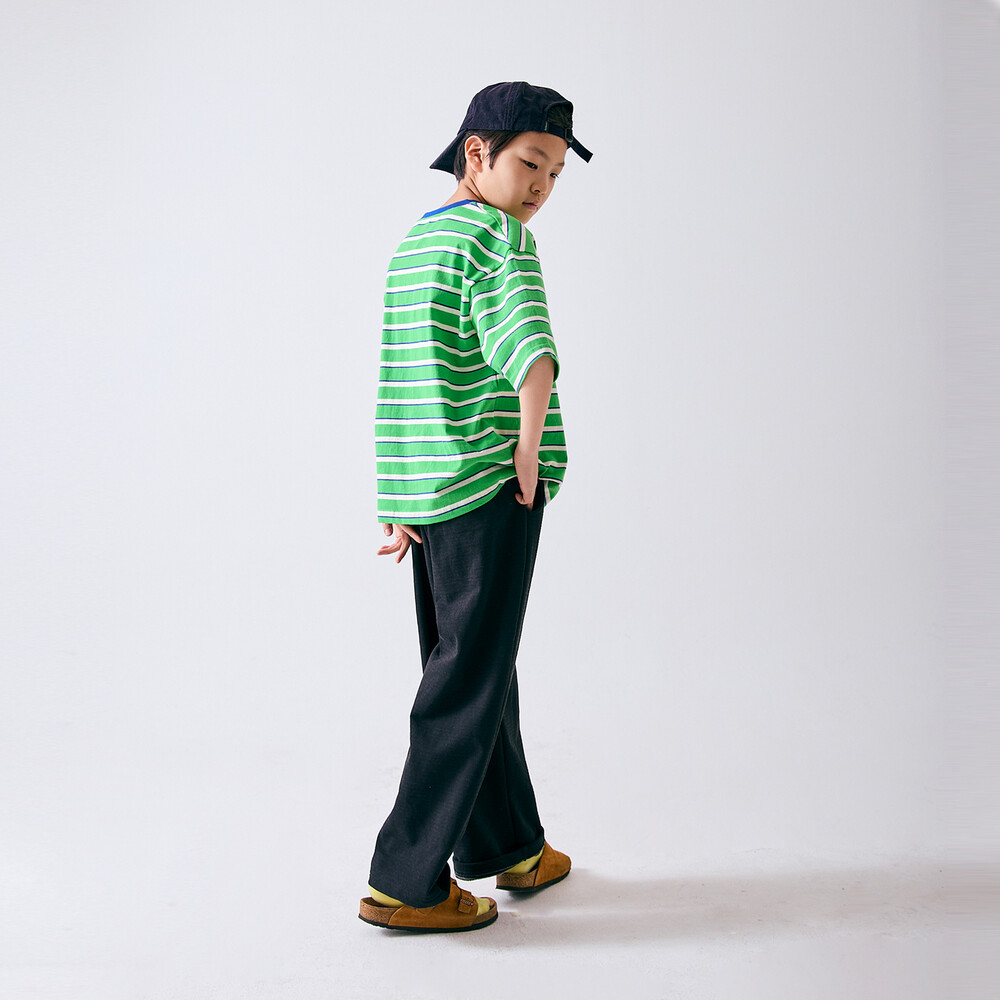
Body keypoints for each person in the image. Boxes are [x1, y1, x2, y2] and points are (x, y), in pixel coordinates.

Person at [358, 82, 592, 933]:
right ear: (477, 153)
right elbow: (532, 348)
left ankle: (512, 846)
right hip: (495, 485)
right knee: (467, 679)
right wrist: (527, 449)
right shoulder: (500, 238)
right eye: (531, 162)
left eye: (555, 173)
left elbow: (403, 379)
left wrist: (396, 497)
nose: (541, 187)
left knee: (478, 668)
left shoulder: (416, 242)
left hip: (432, 495)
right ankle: (406, 881)